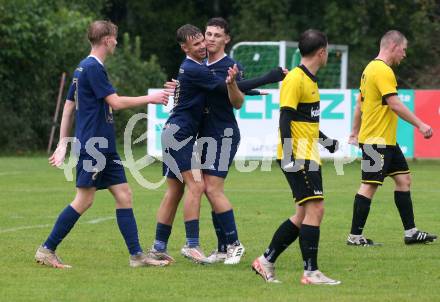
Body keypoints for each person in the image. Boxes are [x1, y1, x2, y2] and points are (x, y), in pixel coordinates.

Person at [34, 20, 171, 268]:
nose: (117, 42)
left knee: (124, 194)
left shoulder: (82, 68)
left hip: (104, 145)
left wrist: (63, 142)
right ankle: (47, 249)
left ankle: (137, 256)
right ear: (107, 39)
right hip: (94, 145)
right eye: (115, 38)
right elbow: (115, 102)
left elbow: (68, 107)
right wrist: (150, 98)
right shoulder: (92, 68)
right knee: (84, 200)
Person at [148, 24, 286, 265]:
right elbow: (223, 87)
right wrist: (269, 78)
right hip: (180, 134)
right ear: (184, 48)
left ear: (226, 39)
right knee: (197, 186)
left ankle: (159, 247)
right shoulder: (194, 68)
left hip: (178, 133)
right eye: (199, 42)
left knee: (176, 191)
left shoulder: (202, 66)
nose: (204, 44)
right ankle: (193, 245)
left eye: (206, 39)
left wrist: (249, 91)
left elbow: (225, 93)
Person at [252, 29, 341, 285]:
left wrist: (327, 142)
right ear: (321, 52)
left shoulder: (310, 80)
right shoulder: (295, 79)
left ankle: (265, 261)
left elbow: (306, 120)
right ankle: (311, 272)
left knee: (303, 214)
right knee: (317, 209)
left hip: (309, 154)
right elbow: (285, 118)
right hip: (298, 157)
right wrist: (290, 154)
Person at [346, 30, 437, 246]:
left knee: (404, 180)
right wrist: (420, 124)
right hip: (376, 141)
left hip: (386, 140)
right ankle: (354, 236)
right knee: (369, 185)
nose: (404, 55)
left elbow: (360, 103)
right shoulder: (382, 70)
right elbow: (394, 104)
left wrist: (353, 132)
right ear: (394, 46)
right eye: (403, 50)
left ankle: (411, 232)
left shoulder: (370, 69)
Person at [200, 17, 246, 265]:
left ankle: (234, 244)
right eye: (208, 34)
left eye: (217, 35)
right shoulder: (199, 64)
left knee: (212, 189)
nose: (211, 39)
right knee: (209, 190)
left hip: (224, 133)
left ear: (226, 39)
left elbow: (238, 102)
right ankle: (221, 248)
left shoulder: (232, 66)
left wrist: (232, 85)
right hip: (205, 135)